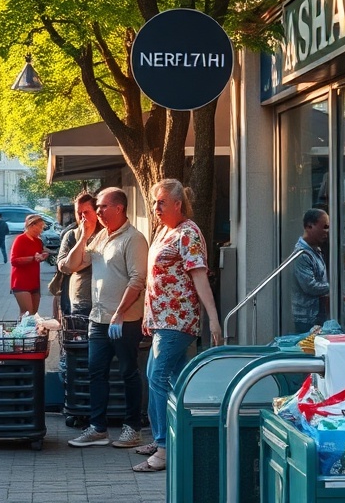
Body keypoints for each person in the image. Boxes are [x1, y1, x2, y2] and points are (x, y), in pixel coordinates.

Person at [133, 179, 222, 473]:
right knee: (169, 380)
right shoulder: (164, 231)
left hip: (178, 320)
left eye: (161, 203)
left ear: (177, 205)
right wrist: (149, 317)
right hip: (161, 321)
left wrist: (214, 319)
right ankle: (172, 436)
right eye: (154, 202)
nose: (155, 208)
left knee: (157, 376)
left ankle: (164, 447)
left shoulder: (188, 233)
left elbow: (199, 277)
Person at [61, 187, 148, 451]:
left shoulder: (133, 239)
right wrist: (85, 235)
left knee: (127, 372)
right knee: (95, 372)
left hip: (124, 320)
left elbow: (138, 280)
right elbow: (69, 266)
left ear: (119, 208)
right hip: (97, 319)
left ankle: (132, 428)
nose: (97, 211)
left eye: (102, 207)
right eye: (96, 207)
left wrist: (120, 313)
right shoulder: (99, 238)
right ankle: (98, 428)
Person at [56, 192, 102, 317]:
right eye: (79, 212)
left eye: (86, 212)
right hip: (80, 302)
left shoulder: (106, 234)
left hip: (104, 303)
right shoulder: (71, 235)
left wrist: (81, 263)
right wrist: (83, 238)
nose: (82, 217)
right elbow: (66, 267)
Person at [291, 208, 331, 333]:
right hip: (307, 318)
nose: (327, 232)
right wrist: (334, 288)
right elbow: (310, 287)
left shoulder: (314, 250)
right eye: (324, 227)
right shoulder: (302, 254)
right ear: (309, 226)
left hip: (317, 314)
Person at [10, 213, 51, 316]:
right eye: (40, 227)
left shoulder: (38, 241)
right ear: (32, 225)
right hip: (21, 282)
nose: (41, 230)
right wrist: (33, 258)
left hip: (34, 282)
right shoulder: (20, 239)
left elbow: (40, 253)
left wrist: (43, 255)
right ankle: (21, 331)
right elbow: (14, 260)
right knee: (27, 314)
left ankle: (29, 331)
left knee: (34, 314)